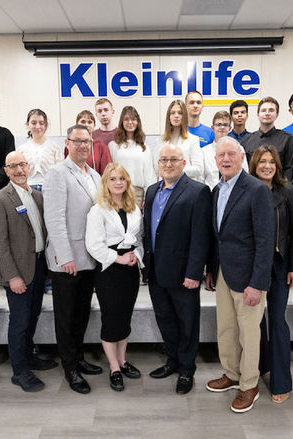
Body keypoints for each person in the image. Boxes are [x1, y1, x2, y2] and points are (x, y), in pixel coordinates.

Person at [204, 137, 274, 413]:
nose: (225, 159)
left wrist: (257, 283)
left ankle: (249, 385)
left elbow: (265, 240)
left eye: (231, 154)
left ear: (242, 157)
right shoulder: (217, 190)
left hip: (248, 277)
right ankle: (232, 374)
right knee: (226, 329)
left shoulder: (256, 190)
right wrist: (211, 270)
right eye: (221, 155)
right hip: (223, 273)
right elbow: (217, 237)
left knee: (248, 334)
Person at [0, 150, 57, 393]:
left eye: (22, 165)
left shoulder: (37, 196)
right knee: (19, 321)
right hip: (17, 273)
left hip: (38, 267)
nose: (18, 170)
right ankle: (20, 371)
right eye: (12, 166)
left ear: (29, 167)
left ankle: (29, 356)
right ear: (6, 171)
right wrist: (12, 276)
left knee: (33, 316)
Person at [144, 144, 212, 394]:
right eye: (163, 160)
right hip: (156, 272)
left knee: (187, 323)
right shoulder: (152, 191)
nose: (168, 164)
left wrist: (194, 273)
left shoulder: (197, 191)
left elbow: (200, 237)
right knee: (165, 320)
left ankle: (186, 369)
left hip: (184, 274)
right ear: (158, 164)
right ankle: (172, 360)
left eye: (173, 159)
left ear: (183, 163)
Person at [44, 124, 104, 394]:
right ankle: (69, 367)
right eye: (77, 141)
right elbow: (54, 219)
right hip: (67, 260)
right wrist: (65, 256)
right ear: (67, 143)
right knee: (66, 316)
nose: (82, 145)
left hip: (89, 257)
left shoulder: (94, 175)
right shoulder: (57, 174)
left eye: (86, 141)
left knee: (81, 313)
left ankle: (78, 357)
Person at [249, 145, 293, 404]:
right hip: (254, 267)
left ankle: (281, 380)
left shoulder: (287, 191)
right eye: (262, 162)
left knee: (277, 321)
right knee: (255, 321)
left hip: (280, 266)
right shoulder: (247, 190)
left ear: (277, 165)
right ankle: (260, 367)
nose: (267, 166)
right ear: (254, 165)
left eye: (271, 162)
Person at [85, 164, 144, 391]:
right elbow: (93, 245)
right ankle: (114, 368)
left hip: (130, 268)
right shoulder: (97, 209)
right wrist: (118, 259)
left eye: (122, 178)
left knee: (125, 317)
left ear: (127, 182)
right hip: (109, 269)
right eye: (113, 179)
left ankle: (123, 360)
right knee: (111, 319)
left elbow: (139, 237)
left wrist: (135, 256)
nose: (118, 182)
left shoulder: (134, 207)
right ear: (106, 183)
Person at [107, 106, 157, 207]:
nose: (130, 122)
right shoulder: (113, 145)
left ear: (138, 122)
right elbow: (108, 173)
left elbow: (149, 176)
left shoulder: (144, 148)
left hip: (138, 194)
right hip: (117, 193)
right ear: (122, 122)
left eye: (133, 119)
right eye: (126, 119)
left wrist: (148, 198)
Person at [242, 96, 293, 181]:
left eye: (271, 110)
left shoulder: (287, 139)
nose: (267, 113)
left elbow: (290, 168)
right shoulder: (246, 140)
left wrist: (284, 190)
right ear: (258, 114)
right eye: (263, 110)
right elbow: (243, 169)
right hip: (252, 190)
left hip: (279, 190)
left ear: (277, 114)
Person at [153, 100, 204, 183]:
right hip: (165, 187)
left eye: (180, 113)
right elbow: (156, 169)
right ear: (168, 117)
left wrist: (176, 170)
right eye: (172, 113)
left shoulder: (193, 140)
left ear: (184, 116)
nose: (176, 116)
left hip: (185, 187)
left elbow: (199, 169)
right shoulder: (159, 141)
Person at [16, 109, 64, 192]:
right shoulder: (21, 149)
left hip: (50, 189)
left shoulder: (55, 148)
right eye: (33, 123)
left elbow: (61, 173)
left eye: (41, 123)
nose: (37, 126)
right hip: (27, 189)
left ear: (46, 125)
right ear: (28, 124)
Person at [202, 111, 249, 188]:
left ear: (230, 128)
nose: (222, 127)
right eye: (218, 124)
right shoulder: (204, 152)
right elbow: (201, 178)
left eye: (225, 125)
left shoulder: (239, 149)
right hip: (210, 195)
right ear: (212, 128)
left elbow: (245, 174)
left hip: (233, 193)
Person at [71, 110, 113, 175]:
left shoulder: (101, 147)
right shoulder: (70, 147)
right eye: (83, 121)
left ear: (94, 126)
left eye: (90, 122)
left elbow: (107, 175)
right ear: (77, 125)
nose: (86, 125)